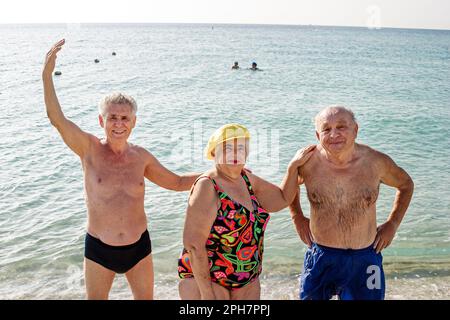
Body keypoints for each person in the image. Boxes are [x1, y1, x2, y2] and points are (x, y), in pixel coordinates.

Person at [42, 39, 200, 300]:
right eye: (112, 117)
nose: (118, 123)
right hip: (99, 250)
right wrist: (47, 75)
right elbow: (56, 119)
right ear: (101, 120)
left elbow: (177, 181)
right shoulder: (88, 149)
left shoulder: (141, 157)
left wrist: (217, 173)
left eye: (124, 118)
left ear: (134, 122)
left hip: (139, 248)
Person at [289, 106, 414, 300]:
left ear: (355, 129)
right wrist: (297, 216)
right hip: (321, 255)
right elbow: (290, 186)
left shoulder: (376, 162)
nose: (334, 134)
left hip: (365, 257)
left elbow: (406, 184)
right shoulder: (306, 163)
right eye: (326, 129)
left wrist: (393, 224)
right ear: (317, 134)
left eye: (341, 126)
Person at [178, 124, 315, 299]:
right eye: (227, 148)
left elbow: (281, 199)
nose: (235, 153)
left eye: (240, 148)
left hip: (246, 279)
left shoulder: (246, 178)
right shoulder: (207, 185)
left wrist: (293, 167)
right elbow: (193, 244)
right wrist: (207, 294)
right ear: (213, 153)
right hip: (210, 280)